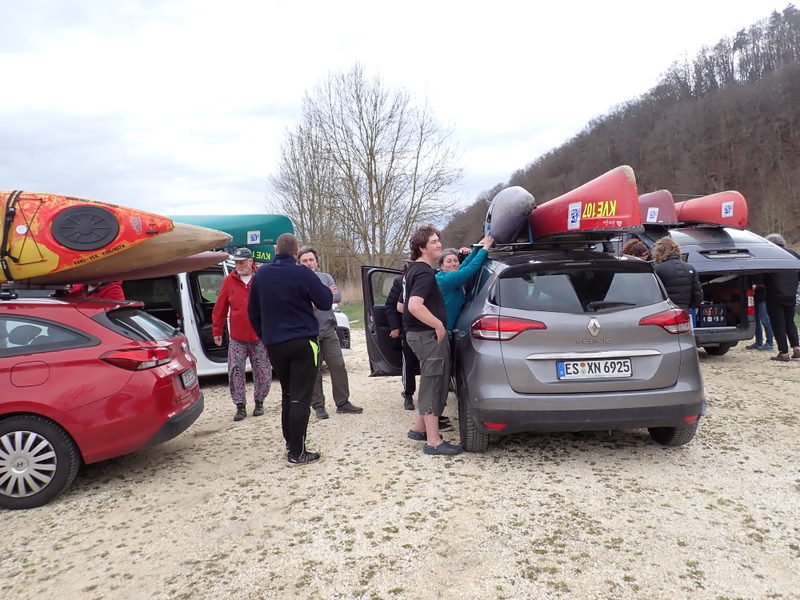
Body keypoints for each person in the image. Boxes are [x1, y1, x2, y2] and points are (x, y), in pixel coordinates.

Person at [248, 233, 333, 466]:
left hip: (275, 343)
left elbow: (252, 311)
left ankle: (290, 441)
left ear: (276, 251)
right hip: (303, 341)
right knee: (300, 396)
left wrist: (264, 336)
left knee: (287, 392)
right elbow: (325, 301)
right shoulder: (302, 272)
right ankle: (297, 452)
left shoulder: (261, 274)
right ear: (296, 253)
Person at [403, 225, 463, 456]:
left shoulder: (414, 270)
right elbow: (414, 305)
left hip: (419, 335)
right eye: (434, 242)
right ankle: (434, 442)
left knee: (432, 380)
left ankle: (419, 428)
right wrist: (438, 324)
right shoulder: (425, 273)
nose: (439, 245)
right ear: (422, 248)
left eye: (438, 240)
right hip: (427, 336)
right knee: (433, 383)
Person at [298, 246, 362, 419]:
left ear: (317, 262)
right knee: (314, 370)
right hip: (308, 333)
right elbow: (300, 303)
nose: (308, 263)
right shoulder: (297, 280)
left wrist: (314, 300)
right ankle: (318, 405)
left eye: (311, 260)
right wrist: (323, 298)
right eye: (304, 261)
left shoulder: (325, 278)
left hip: (328, 329)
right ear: (299, 263)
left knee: (338, 365)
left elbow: (337, 296)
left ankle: (343, 402)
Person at [212, 247, 272, 422]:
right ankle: (240, 406)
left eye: (242, 262)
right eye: (236, 262)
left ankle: (259, 402)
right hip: (237, 337)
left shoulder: (262, 278)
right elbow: (220, 307)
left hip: (259, 335)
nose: (238, 265)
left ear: (250, 261)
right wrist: (217, 330)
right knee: (235, 371)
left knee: (263, 371)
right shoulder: (229, 281)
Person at [435, 234, 494, 331]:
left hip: (447, 328)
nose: (453, 264)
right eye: (449, 261)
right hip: (443, 331)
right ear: (442, 266)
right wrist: (485, 249)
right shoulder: (447, 280)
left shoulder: (448, 276)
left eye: (455, 261)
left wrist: (478, 247)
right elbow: (471, 268)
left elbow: (466, 264)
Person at [762, 233, 800, 362]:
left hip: (774, 294)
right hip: (791, 294)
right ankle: (797, 348)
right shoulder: (793, 254)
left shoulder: (768, 256)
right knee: (790, 321)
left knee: (778, 323)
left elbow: (762, 275)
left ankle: (783, 353)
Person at [385, 265, 419, 411]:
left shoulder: (431, 278)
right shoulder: (400, 282)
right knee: (409, 364)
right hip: (408, 328)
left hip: (429, 327)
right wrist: (395, 327)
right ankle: (408, 394)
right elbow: (391, 306)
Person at [652, 237, 702, 310]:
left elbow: (653, 294)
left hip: (665, 311)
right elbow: (698, 294)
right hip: (684, 311)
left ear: (659, 251)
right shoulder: (690, 268)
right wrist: (690, 306)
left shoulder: (657, 269)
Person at [745, 275, 774, 351]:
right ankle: (758, 341)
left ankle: (770, 342)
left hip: (763, 298)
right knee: (756, 320)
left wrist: (757, 286)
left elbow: (770, 285)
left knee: (765, 320)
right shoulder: (750, 273)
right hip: (753, 298)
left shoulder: (762, 272)